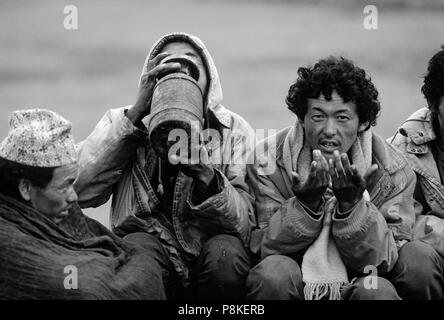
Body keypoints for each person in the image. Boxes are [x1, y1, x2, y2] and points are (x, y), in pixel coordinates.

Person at [74, 32, 255, 299]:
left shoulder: (233, 130)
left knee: (226, 256)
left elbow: (247, 225)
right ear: (150, 80)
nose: (180, 72)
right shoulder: (124, 120)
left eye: (192, 66)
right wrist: (134, 117)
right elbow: (81, 189)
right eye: (166, 65)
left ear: (209, 81)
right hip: (147, 244)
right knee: (136, 255)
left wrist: (206, 176)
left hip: (212, 246)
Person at [246, 56, 416, 300]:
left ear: (363, 122)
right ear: (301, 119)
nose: (328, 130)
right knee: (273, 274)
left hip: (359, 277)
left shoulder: (393, 170)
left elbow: (385, 261)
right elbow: (264, 248)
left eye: (342, 117)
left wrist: (352, 208)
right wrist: (305, 206)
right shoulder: (267, 161)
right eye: (317, 116)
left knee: (377, 291)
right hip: (296, 277)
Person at [0, 109, 166, 299]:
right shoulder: (9, 243)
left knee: (142, 245)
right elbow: (85, 289)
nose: (73, 197)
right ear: (26, 188)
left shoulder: (59, 214)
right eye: (64, 186)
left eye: (72, 183)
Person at [389, 46, 444, 300]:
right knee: (416, 261)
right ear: (434, 104)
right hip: (435, 257)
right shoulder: (404, 145)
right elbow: (400, 219)